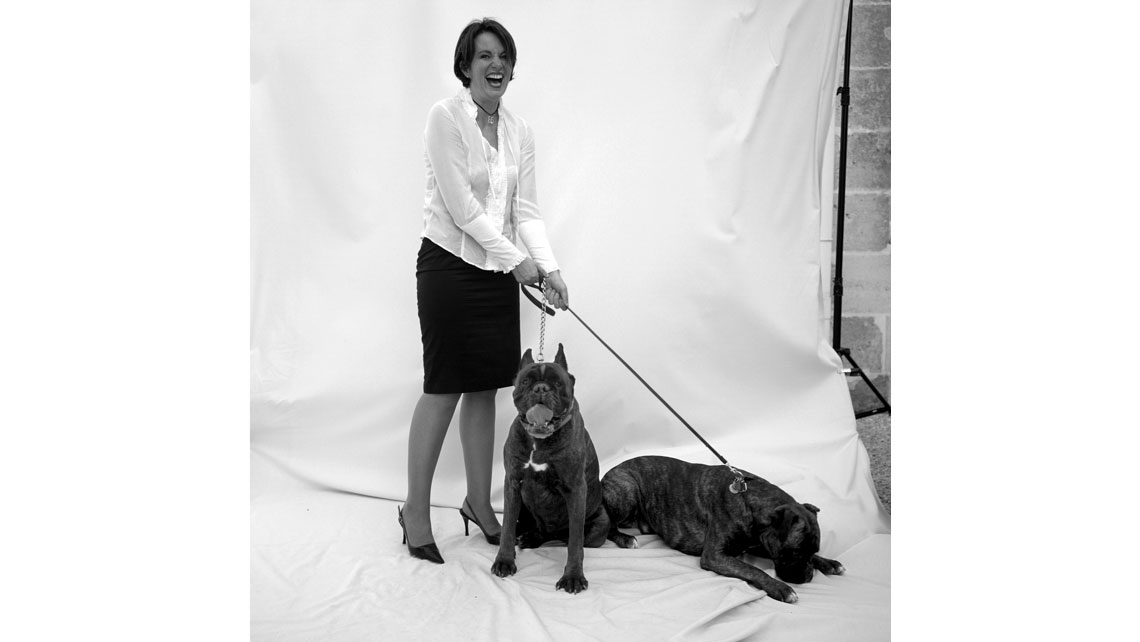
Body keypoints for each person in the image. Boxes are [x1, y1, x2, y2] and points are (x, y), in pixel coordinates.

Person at [398, 18, 569, 564]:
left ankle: (478, 500)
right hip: (448, 270)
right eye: (483, 56)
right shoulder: (444, 118)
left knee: (486, 389)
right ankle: (416, 511)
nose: (495, 65)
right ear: (465, 66)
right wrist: (519, 262)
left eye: (503, 56)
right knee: (444, 386)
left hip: (499, 274)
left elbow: (528, 211)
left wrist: (550, 268)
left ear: (512, 67)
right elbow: (462, 208)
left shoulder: (521, 131)